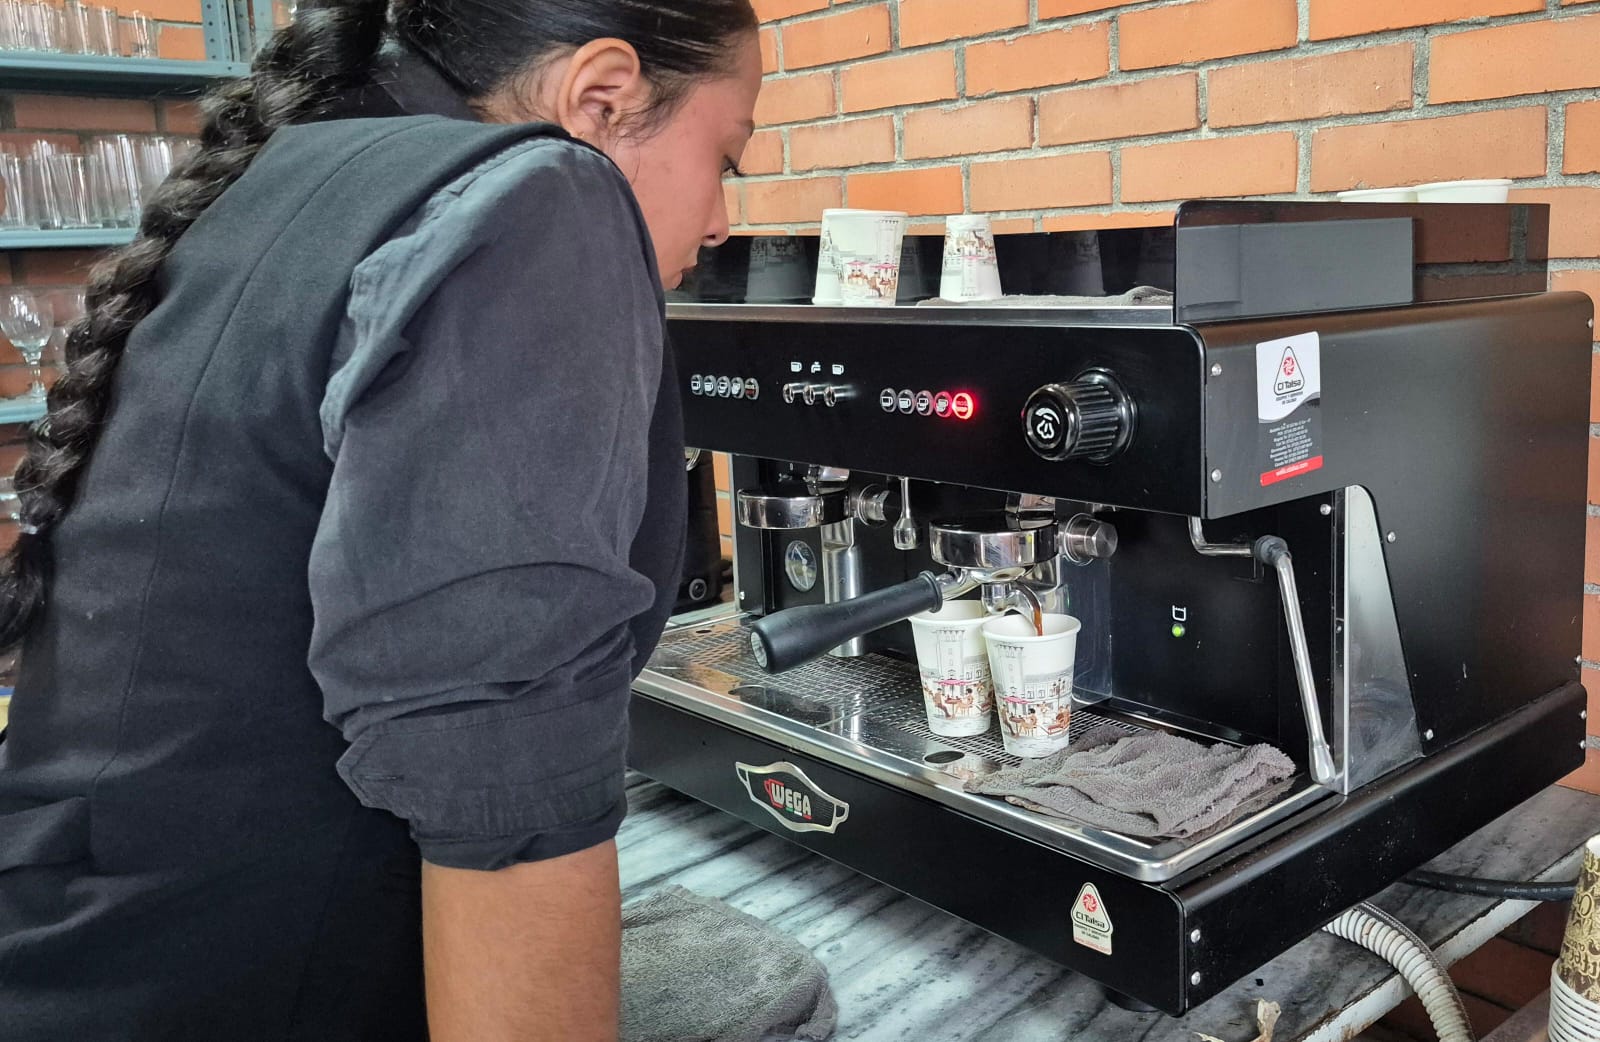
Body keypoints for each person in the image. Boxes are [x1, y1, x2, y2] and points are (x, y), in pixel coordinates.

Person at [0, 0, 760, 1038]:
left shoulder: (287, 178)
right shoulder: (544, 195)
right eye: (727, 158)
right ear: (602, 97)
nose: (721, 222)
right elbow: (502, 786)